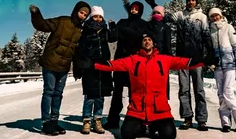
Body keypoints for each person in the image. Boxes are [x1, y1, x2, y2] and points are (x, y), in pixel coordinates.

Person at [79, 32, 209, 139]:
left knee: (169, 135)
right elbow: (113, 65)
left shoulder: (164, 59)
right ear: (141, 44)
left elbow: (184, 62)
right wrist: (92, 64)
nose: (147, 42)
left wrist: (204, 60)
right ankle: (142, 126)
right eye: (144, 40)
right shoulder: (132, 60)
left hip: (160, 110)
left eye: (149, 40)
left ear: (153, 43)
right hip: (137, 109)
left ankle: (152, 126)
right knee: (126, 134)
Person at [145, 0, 212, 131]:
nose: (191, 2)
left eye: (193, 0)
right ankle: (187, 118)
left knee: (199, 90)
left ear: (196, 2)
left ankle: (201, 120)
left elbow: (206, 35)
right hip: (182, 59)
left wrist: (211, 54)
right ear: (186, 2)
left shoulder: (202, 17)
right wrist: (154, 5)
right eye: (189, 0)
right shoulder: (180, 15)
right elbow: (165, 16)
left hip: (197, 59)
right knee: (184, 90)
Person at [29, 1, 91, 136]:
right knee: (49, 92)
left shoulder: (80, 30)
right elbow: (42, 25)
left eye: (85, 15)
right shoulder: (62, 21)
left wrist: (76, 68)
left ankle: (54, 121)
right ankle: (46, 123)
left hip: (64, 67)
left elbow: (77, 51)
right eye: (81, 13)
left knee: (58, 95)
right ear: (76, 11)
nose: (83, 16)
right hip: (50, 63)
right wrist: (36, 14)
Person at [103, 0, 149, 130]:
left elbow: (148, 43)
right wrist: (111, 27)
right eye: (132, 8)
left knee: (135, 93)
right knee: (117, 93)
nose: (133, 10)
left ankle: (137, 121)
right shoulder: (122, 22)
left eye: (136, 9)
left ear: (140, 11)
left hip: (137, 63)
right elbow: (112, 38)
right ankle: (113, 120)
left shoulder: (145, 25)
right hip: (121, 61)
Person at [73, 6, 118, 134]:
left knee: (100, 96)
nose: (98, 19)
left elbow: (114, 37)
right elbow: (80, 49)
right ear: (91, 17)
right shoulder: (85, 30)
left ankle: (97, 120)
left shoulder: (105, 30)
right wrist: (81, 65)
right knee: (90, 96)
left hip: (103, 66)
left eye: (100, 17)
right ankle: (86, 121)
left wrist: (112, 26)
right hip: (90, 67)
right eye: (95, 16)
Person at [208, 7, 236, 133]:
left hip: (229, 64)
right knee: (221, 95)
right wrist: (210, 63)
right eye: (212, 16)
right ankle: (225, 123)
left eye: (216, 15)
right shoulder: (210, 31)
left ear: (221, 15)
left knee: (228, 92)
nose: (215, 18)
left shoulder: (228, 27)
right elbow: (209, 50)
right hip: (218, 66)